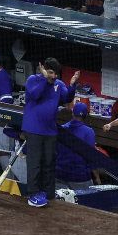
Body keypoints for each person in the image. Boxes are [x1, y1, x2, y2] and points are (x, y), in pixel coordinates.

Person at [23, 58, 79, 208]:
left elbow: (67, 98)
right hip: (33, 128)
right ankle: (33, 195)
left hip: (50, 130)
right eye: (50, 73)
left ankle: (47, 192)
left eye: (56, 73)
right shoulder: (32, 80)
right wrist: (44, 79)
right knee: (35, 163)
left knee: (49, 162)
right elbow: (35, 95)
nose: (53, 76)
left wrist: (72, 85)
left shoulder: (59, 84)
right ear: (42, 69)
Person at [57, 102, 97, 191]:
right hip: (79, 177)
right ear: (87, 115)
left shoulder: (61, 129)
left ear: (72, 113)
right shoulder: (88, 132)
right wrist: (97, 177)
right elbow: (91, 158)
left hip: (59, 175)